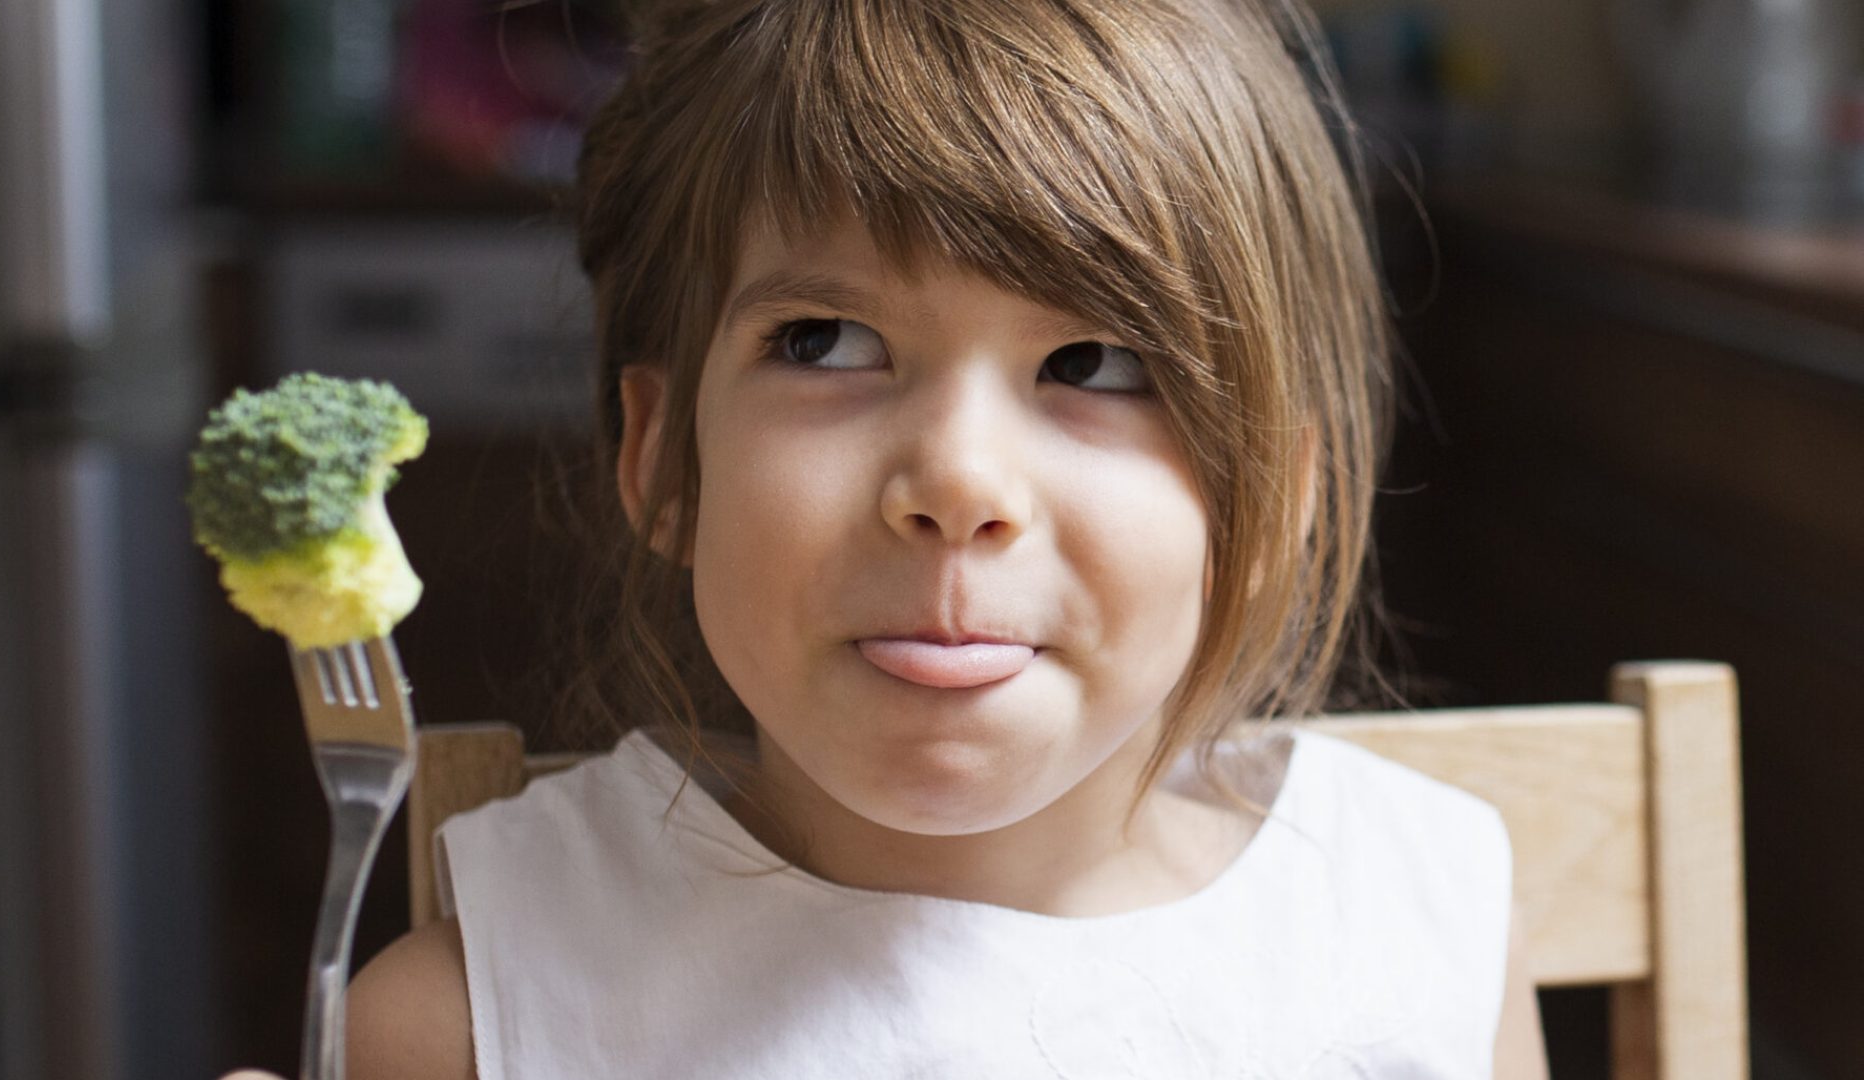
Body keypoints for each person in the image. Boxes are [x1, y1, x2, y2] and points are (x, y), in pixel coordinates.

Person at [226, 0, 1548, 1075]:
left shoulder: (1418, 931)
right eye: (827, 344)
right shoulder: (475, 1019)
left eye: (1094, 360)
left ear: (1280, 502)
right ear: (662, 456)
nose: (958, 480)